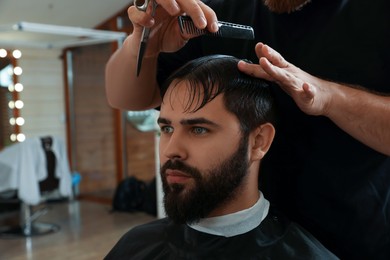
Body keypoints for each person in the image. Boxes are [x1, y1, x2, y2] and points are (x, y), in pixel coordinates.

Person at [105, 0, 390, 259]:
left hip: (352, 240)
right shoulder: (216, 15)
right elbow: (125, 97)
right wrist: (143, 43)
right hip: (230, 234)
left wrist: (329, 97)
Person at [105, 55, 338, 259]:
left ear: (258, 141)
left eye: (198, 129)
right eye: (167, 129)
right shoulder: (134, 246)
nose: (170, 150)